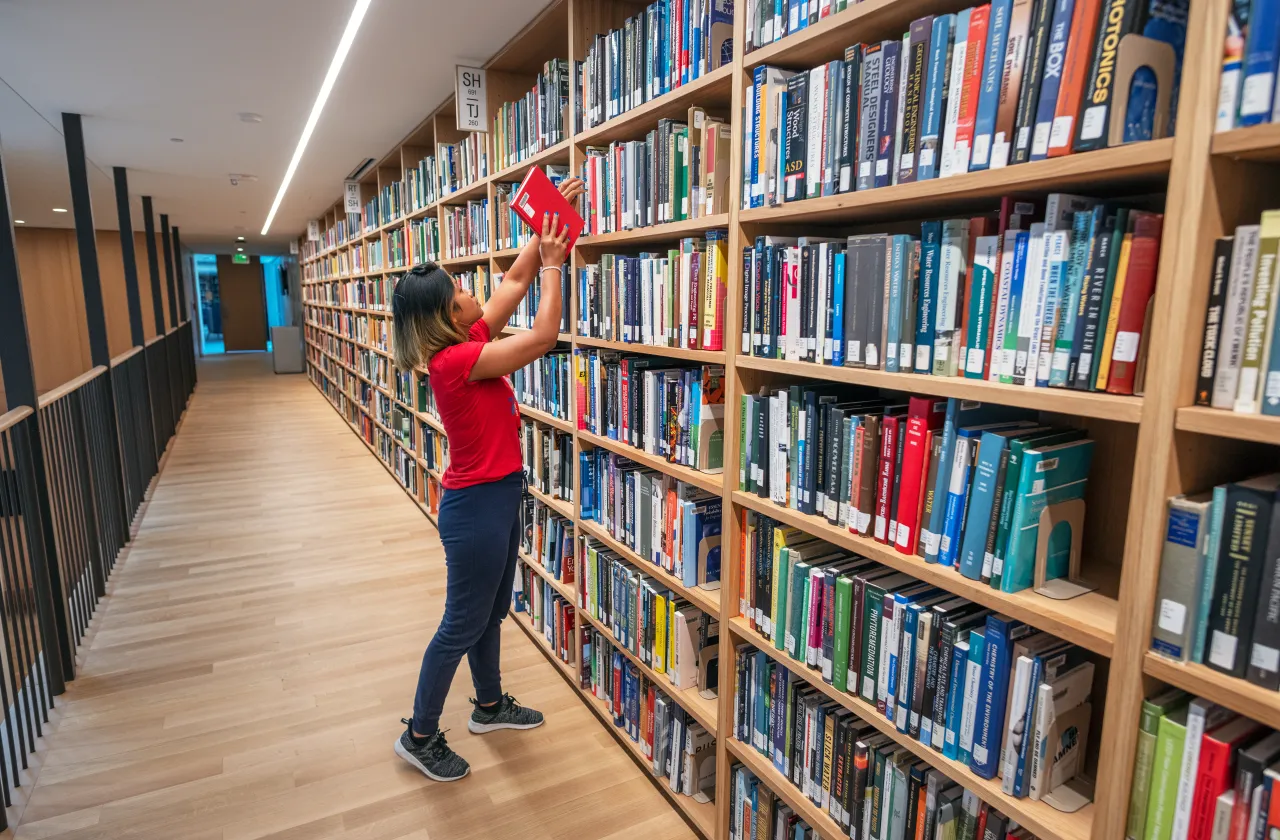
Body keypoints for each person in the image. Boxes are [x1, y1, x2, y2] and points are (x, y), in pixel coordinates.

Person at [389, 176, 584, 782]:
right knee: (461, 622)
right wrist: (556, 265)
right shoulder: (455, 364)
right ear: (450, 313)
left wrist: (548, 225)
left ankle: (490, 705)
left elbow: (515, 282)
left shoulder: (465, 340)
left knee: (493, 608)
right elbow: (545, 335)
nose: (476, 291)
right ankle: (419, 735)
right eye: (463, 289)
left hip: (499, 496)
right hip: (475, 509)